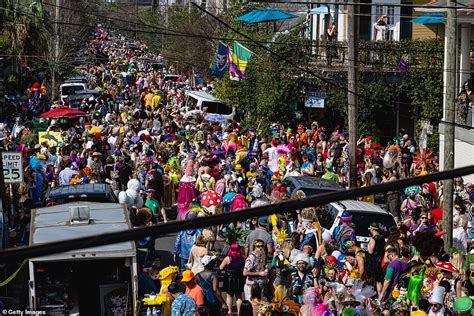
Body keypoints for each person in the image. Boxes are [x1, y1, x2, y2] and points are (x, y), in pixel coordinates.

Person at [220, 243, 245, 314]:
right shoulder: (242, 258)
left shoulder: (228, 258)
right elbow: (244, 267)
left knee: (229, 295)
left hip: (229, 278)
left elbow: (221, 267)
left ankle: (230, 311)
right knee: (239, 296)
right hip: (239, 278)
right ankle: (239, 312)